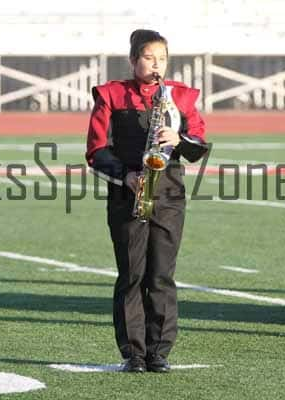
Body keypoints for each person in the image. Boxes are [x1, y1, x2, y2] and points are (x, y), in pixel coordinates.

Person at [86, 29, 208, 373]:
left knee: (162, 274)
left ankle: (159, 352)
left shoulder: (180, 97)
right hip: (128, 189)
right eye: (149, 58)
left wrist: (179, 138)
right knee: (131, 274)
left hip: (168, 191)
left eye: (163, 59)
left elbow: (198, 145)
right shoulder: (111, 95)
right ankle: (133, 353)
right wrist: (126, 175)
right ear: (133, 60)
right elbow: (96, 150)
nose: (157, 65)